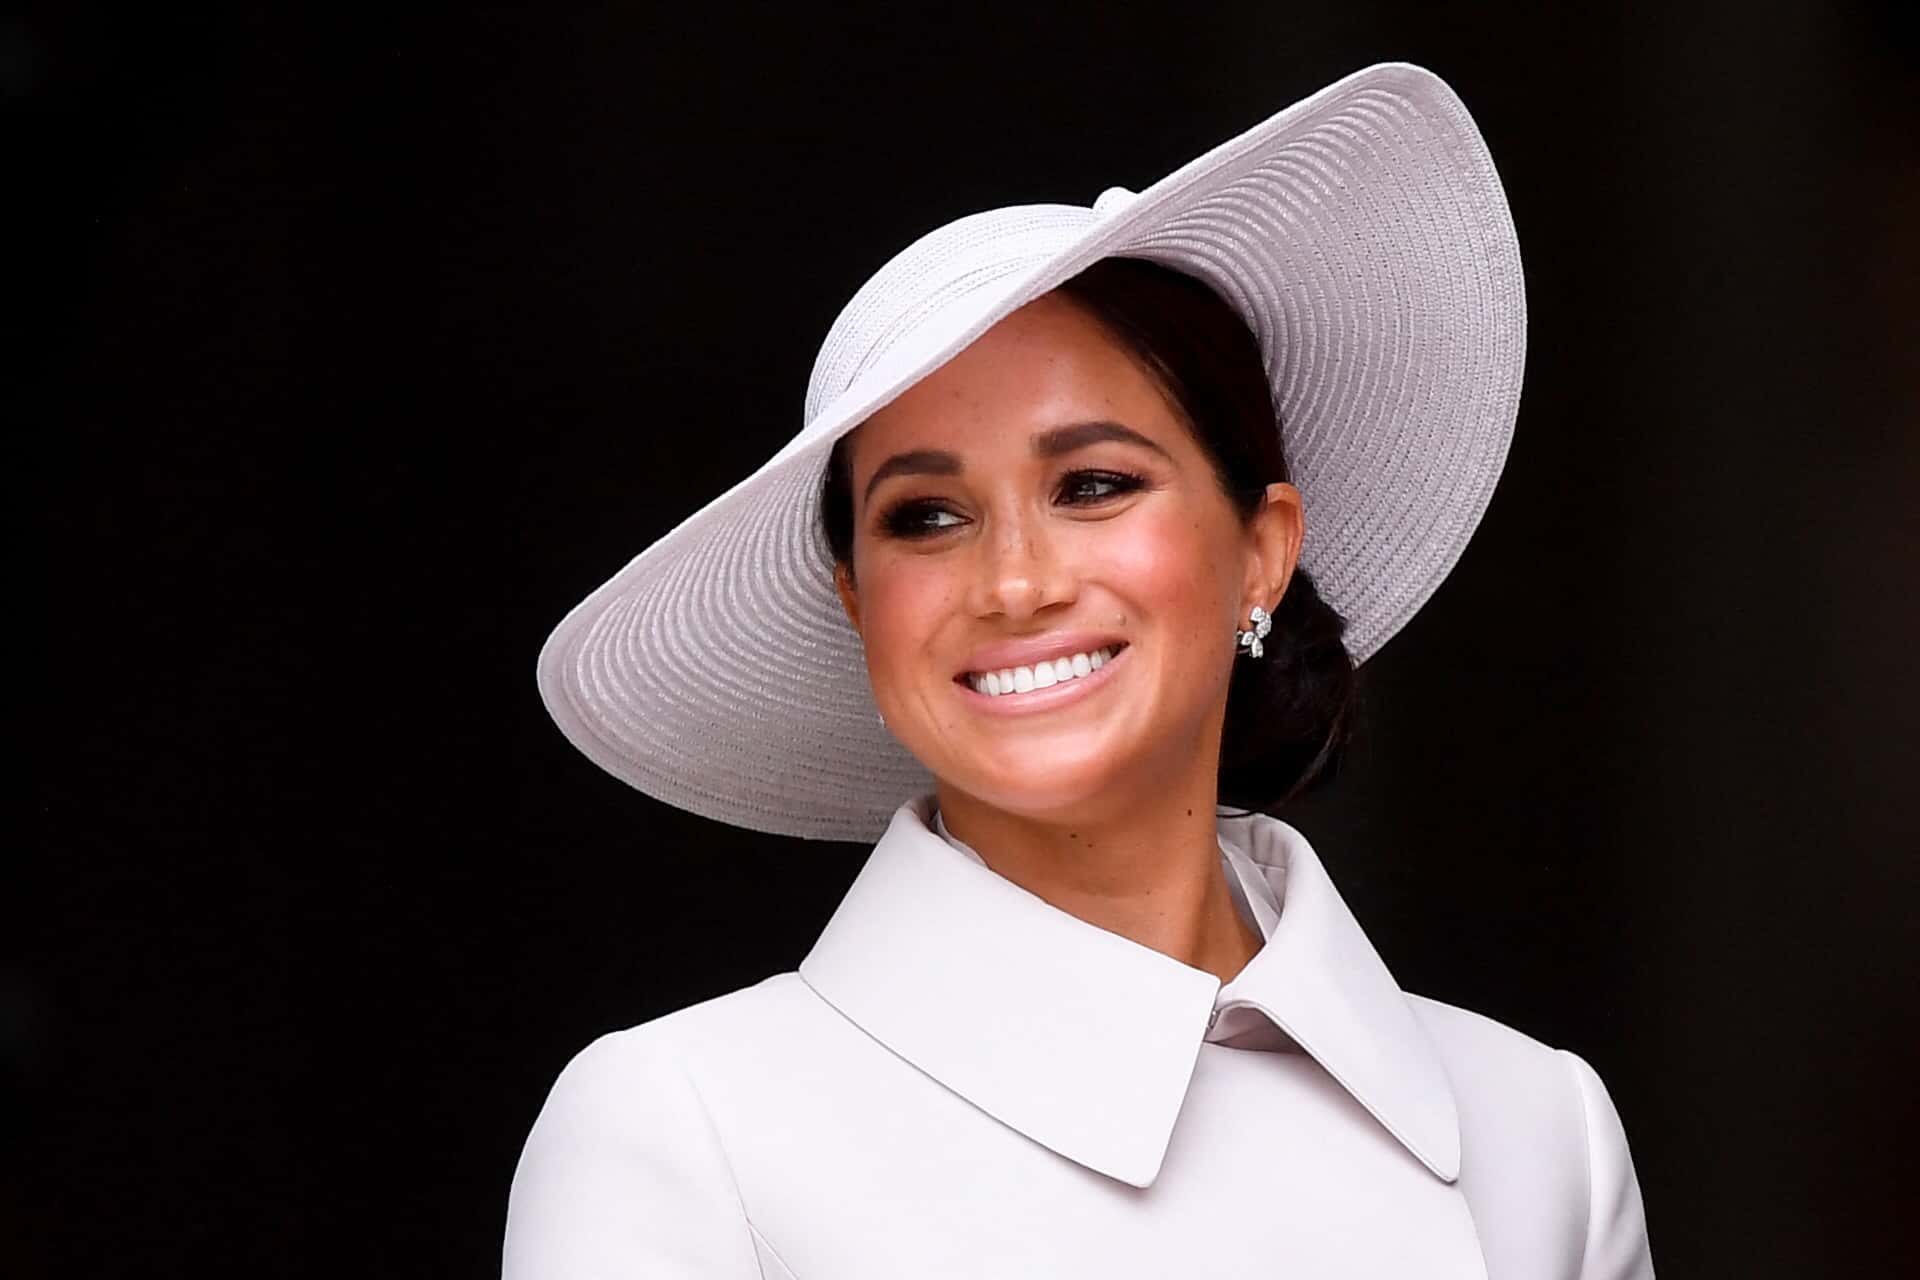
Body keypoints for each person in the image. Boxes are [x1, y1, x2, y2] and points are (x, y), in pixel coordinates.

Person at [504, 62, 1655, 1278]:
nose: (1015, 581)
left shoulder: (1538, 1133)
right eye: (926, 516)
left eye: (1094, 484)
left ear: (1262, 550)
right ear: (858, 603)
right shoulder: (684, 1129)